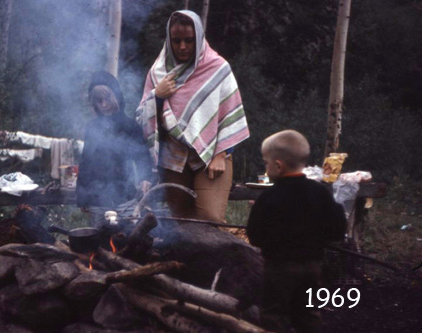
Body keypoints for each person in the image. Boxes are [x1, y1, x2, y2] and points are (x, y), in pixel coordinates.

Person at [136, 10, 250, 223]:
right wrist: (157, 96)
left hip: (212, 157)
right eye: (176, 40)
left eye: (189, 40)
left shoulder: (218, 68)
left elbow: (230, 115)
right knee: (182, 223)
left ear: (198, 38)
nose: (182, 46)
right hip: (173, 159)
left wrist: (221, 154)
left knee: (210, 218)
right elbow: (143, 118)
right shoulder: (158, 72)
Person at [246, 130, 347, 333]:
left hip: (277, 269)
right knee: (308, 313)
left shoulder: (268, 197)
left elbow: (255, 236)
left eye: (266, 163)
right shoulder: (320, 192)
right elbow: (338, 230)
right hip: (312, 267)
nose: (265, 168)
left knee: (273, 314)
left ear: (277, 165)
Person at [77, 71, 152, 213]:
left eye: (107, 99)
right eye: (99, 101)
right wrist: (82, 197)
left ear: (116, 96)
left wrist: (145, 178)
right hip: (97, 199)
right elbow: (85, 163)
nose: (104, 105)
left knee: (125, 233)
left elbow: (142, 156)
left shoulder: (129, 126)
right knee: (100, 233)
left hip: (125, 196)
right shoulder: (92, 128)